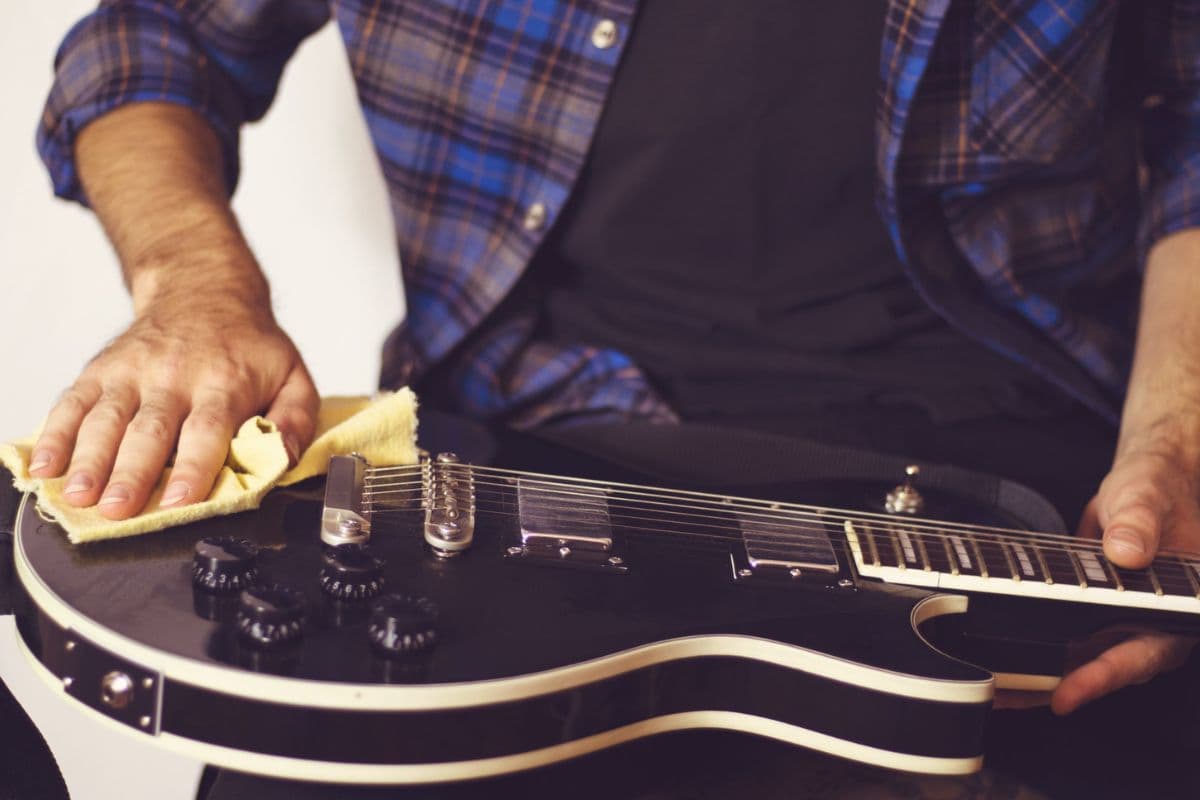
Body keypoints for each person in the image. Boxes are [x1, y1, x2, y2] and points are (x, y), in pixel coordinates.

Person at [20, 0, 1200, 796]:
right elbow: (151, 33)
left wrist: (1181, 426)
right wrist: (196, 282)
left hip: (1002, 468)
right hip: (510, 445)